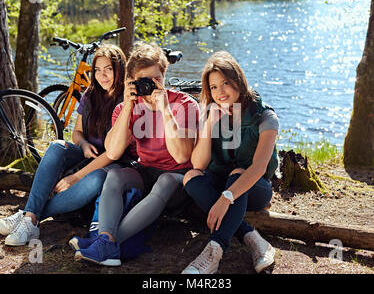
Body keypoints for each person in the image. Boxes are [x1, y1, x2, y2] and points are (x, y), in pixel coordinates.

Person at [72, 42, 199, 266]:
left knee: (166, 180)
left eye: (156, 79)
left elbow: (181, 156)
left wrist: (165, 109)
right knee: (115, 175)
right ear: (131, 81)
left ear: (164, 75)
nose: (151, 86)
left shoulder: (184, 104)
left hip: (178, 180)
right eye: (143, 81)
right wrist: (129, 105)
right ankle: (106, 241)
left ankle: (104, 244)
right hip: (147, 171)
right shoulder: (125, 108)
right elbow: (112, 151)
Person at [0, 44, 131, 246]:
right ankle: (30, 218)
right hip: (89, 154)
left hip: (115, 162)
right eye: (97, 70)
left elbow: (113, 154)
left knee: (96, 179)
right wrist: (85, 144)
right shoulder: (90, 95)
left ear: (119, 70)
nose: (102, 75)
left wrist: (75, 177)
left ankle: (30, 216)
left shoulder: (127, 100)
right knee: (57, 146)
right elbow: (76, 133)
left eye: (108, 69)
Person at [181, 51, 279, 274]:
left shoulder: (265, 117)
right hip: (221, 185)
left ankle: (214, 250)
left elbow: (258, 168)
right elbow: (198, 165)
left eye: (225, 83)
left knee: (238, 172)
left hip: (255, 188)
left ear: (238, 80)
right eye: (213, 87)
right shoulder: (210, 113)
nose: (220, 92)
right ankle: (252, 237)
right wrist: (207, 126)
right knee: (190, 177)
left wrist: (227, 197)